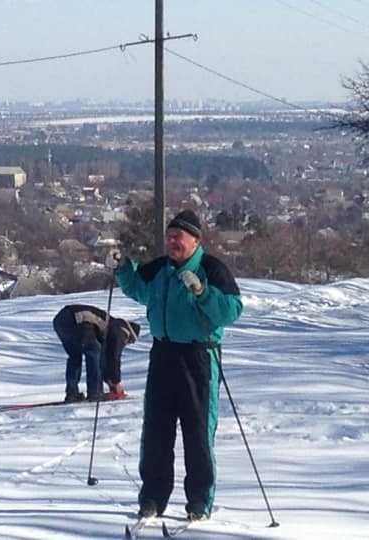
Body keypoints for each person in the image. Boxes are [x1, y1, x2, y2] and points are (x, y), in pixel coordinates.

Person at [114, 209, 243, 522]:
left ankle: (199, 501)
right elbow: (138, 289)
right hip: (163, 356)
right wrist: (122, 268)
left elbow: (231, 310)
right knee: (156, 431)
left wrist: (202, 292)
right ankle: (153, 498)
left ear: (195, 240)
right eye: (169, 236)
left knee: (198, 433)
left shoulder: (212, 269)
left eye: (178, 237)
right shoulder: (161, 268)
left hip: (198, 359)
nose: (172, 242)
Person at [53, 304, 141, 403]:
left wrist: (108, 379)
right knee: (93, 352)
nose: (125, 343)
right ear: (130, 334)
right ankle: (95, 393)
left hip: (60, 320)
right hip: (79, 319)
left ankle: (72, 394)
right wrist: (116, 382)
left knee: (75, 357)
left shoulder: (110, 325)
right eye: (128, 341)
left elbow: (105, 358)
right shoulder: (122, 329)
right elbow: (114, 356)